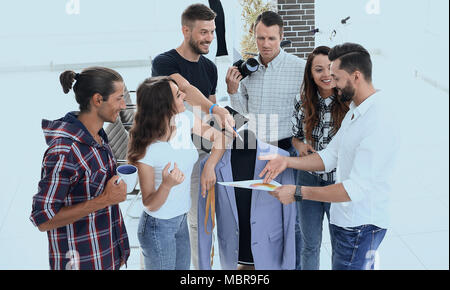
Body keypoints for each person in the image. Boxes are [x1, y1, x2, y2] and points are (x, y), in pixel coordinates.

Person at [259, 43, 399, 270]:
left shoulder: (378, 120)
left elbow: (354, 188)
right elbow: (330, 156)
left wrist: (298, 192)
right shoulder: (355, 111)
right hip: (346, 221)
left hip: (360, 226)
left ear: (355, 76)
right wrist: (287, 161)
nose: (332, 82)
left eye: (337, 77)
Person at [151, 3, 234, 269]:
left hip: (200, 152)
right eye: (203, 32)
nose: (209, 37)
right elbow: (185, 90)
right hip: (172, 154)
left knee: (201, 221)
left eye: (212, 31)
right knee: (170, 221)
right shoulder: (164, 62)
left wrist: (222, 131)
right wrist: (216, 108)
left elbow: (209, 115)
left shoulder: (210, 67)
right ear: (186, 30)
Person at [30, 67, 130, 270]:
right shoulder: (64, 151)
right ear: (97, 100)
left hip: (106, 256)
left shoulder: (99, 136)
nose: (123, 105)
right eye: (119, 98)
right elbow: (43, 218)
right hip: (80, 262)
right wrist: (105, 199)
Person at [127, 76, 227, 270]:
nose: (184, 95)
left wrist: (209, 166)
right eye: (178, 94)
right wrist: (166, 185)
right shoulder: (147, 149)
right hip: (158, 227)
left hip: (182, 219)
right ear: (163, 105)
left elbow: (220, 138)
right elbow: (149, 203)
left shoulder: (184, 119)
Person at [291, 46, 349, 270]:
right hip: (308, 178)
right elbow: (295, 137)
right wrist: (300, 146)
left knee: (339, 244)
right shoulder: (302, 100)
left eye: (330, 69)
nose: (326, 75)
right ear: (311, 74)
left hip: (338, 182)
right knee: (310, 244)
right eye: (319, 69)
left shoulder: (349, 101)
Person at [225, 10, 306, 152]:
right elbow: (243, 113)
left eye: (271, 38)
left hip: (289, 148)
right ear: (254, 37)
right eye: (261, 38)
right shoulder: (246, 69)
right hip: (256, 147)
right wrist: (232, 91)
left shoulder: (301, 68)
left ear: (281, 37)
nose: (265, 44)